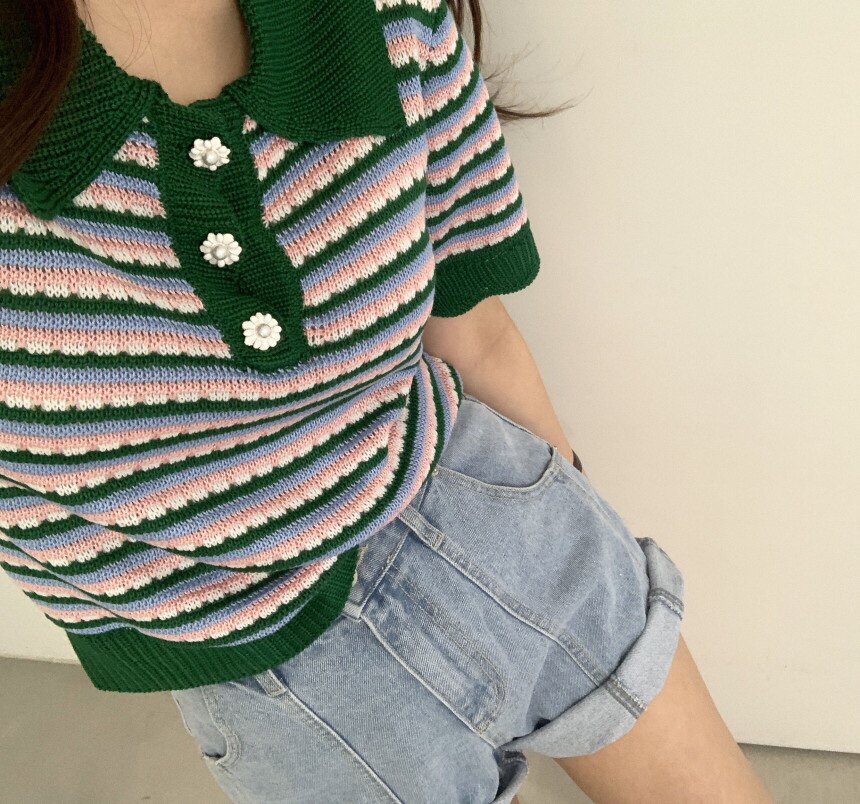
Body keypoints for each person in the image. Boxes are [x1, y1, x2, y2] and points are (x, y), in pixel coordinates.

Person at [0, 1, 771, 801]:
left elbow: (476, 334)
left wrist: (571, 508)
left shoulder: (388, 17)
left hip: (509, 534)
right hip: (284, 695)